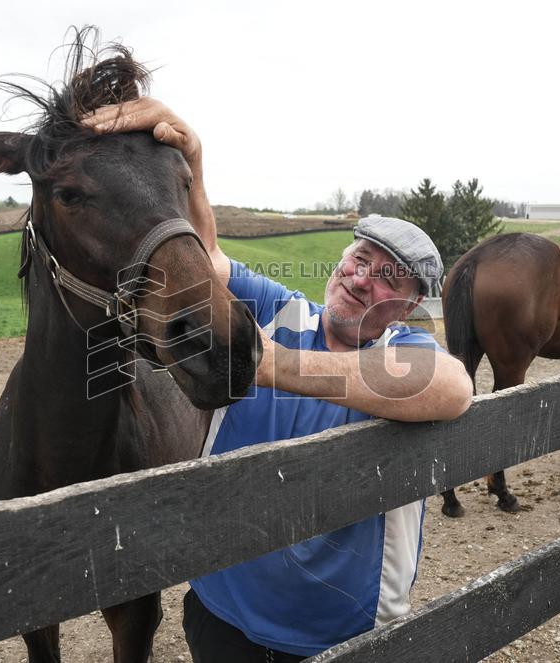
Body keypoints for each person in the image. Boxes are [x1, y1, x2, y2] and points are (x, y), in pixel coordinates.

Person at [84, 99, 473, 662]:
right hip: (222, 616)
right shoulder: (278, 311)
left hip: (341, 638)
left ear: (412, 304)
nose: (362, 279)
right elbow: (207, 257)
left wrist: (264, 365)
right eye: (359, 259)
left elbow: (452, 388)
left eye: (388, 277)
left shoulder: (404, 350)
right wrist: (191, 159)